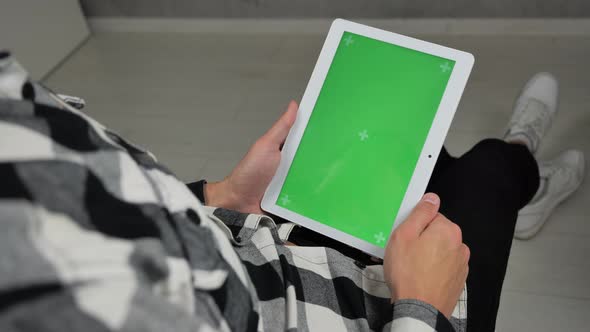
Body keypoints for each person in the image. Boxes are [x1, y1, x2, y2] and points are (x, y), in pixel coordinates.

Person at [0, 52, 584, 332]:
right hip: (390, 314)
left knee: (417, 164)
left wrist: (218, 195)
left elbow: (102, 205)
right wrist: (420, 309)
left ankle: (512, 177)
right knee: (486, 174)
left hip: (268, 253)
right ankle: (520, 163)